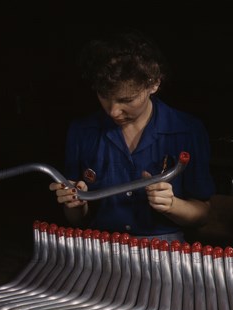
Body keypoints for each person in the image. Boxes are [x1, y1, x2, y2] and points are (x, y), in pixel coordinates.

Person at [49, 30, 215, 242]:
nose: (113, 111)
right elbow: (76, 220)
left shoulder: (188, 130)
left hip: (164, 247)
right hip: (99, 242)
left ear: (154, 83)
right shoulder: (82, 131)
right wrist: (74, 203)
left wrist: (172, 206)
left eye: (126, 100)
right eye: (104, 97)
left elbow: (202, 215)